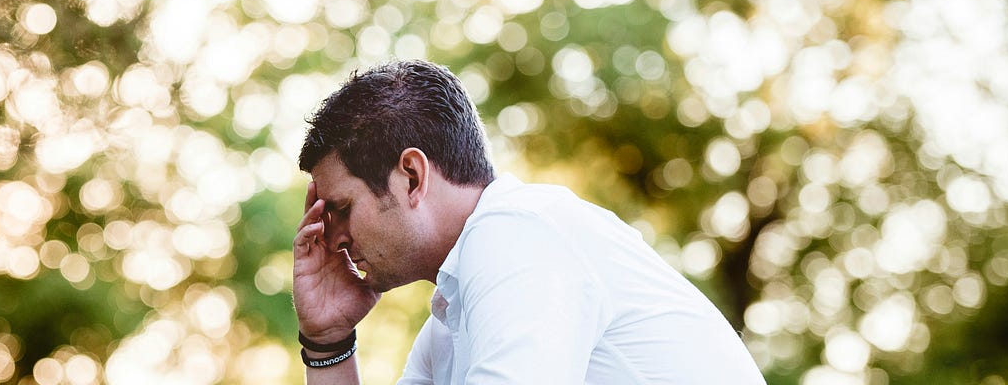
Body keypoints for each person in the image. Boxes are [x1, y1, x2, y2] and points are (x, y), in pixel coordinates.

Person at [291, 59, 765, 384]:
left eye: (342, 208)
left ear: (412, 177)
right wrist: (327, 342)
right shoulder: (452, 319)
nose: (332, 239)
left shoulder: (518, 237)